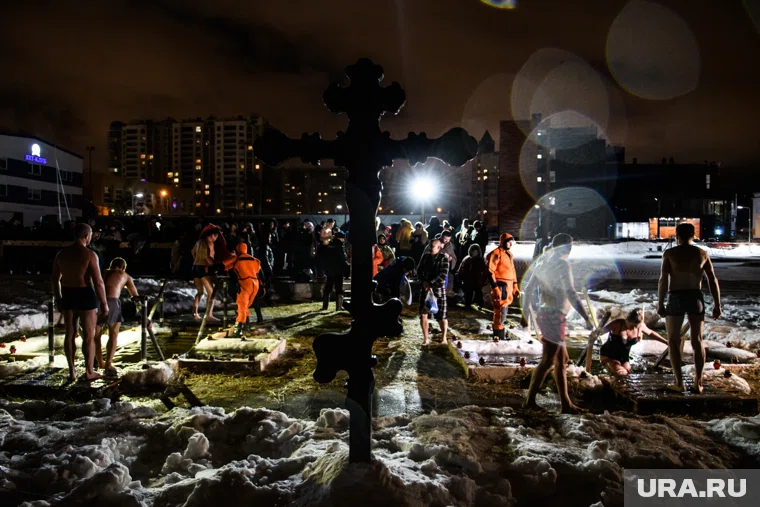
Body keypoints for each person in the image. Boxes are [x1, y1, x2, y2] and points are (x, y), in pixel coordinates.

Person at [523, 233, 595, 413]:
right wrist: (586, 317)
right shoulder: (562, 265)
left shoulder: (542, 263)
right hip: (554, 316)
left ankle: (566, 404)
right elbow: (570, 292)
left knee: (562, 360)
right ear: (567, 247)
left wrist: (525, 313)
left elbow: (528, 288)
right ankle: (530, 401)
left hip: (547, 314)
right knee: (548, 360)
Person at [657, 222, 721, 394]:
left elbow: (663, 280)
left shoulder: (670, 253)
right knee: (697, 340)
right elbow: (712, 279)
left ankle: (679, 382)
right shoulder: (701, 253)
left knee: (673, 340)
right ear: (693, 235)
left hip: (676, 296)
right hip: (695, 296)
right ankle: (698, 383)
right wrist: (717, 304)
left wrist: (660, 303)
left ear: (676, 235)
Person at [52, 223, 108, 382]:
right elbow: (98, 282)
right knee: (89, 335)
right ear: (86, 236)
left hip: (68, 293)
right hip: (85, 293)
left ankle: (72, 371)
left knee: (69, 334)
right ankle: (89, 371)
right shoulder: (90, 254)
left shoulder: (61, 254)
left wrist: (58, 298)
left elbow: (55, 279)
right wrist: (104, 303)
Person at [94, 258, 139, 376]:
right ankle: (108, 364)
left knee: (96, 336)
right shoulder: (124, 275)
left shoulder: (102, 272)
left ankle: (100, 362)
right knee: (113, 335)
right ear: (123, 268)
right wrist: (140, 311)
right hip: (112, 302)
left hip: (96, 302)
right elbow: (135, 295)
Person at [598, 309, 668, 376]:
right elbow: (599, 332)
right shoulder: (618, 324)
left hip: (624, 357)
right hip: (608, 355)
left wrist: (666, 342)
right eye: (631, 326)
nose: (633, 328)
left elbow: (651, 333)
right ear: (627, 320)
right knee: (621, 373)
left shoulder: (640, 326)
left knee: (628, 373)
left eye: (635, 327)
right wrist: (597, 331)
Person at [218, 242, 265, 336]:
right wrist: (263, 286)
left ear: (237, 250)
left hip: (244, 283)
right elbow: (261, 274)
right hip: (255, 284)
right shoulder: (255, 260)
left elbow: (222, 266)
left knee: (242, 305)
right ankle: (246, 324)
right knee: (247, 305)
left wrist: (209, 269)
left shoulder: (236, 259)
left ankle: (238, 329)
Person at [417, 238, 451, 345]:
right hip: (425, 289)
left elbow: (443, 275)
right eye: (429, 246)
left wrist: (430, 283)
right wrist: (424, 282)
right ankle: (426, 339)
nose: (430, 248)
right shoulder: (425, 257)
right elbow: (419, 270)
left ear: (439, 247)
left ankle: (444, 338)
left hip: (438, 290)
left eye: (432, 247)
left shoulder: (443, 258)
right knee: (423, 314)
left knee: (442, 316)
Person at [487, 233, 519, 340]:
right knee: (500, 310)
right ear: (503, 242)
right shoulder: (496, 253)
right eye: (509, 242)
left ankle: (499, 333)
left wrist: (515, 285)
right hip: (501, 285)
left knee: (504, 310)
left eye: (511, 242)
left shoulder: (509, 255)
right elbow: (490, 272)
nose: (511, 244)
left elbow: (512, 271)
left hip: (508, 286)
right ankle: (499, 334)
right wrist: (495, 288)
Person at [191, 224, 224, 321]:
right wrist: (215, 265)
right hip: (204, 268)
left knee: (200, 292)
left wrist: (197, 259)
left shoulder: (199, 242)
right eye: (216, 236)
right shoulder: (209, 243)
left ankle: (195, 313)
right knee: (211, 292)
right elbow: (207, 257)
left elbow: (192, 252)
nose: (217, 238)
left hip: (195, 267)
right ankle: (209, 315)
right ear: (212, 235)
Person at [322, 231, 349, 311]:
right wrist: (346, 270)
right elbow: (342, 260)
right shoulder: (340, 247)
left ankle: (325, 306)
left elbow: (325, 258)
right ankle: (339, 307)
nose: (343, 240)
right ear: (339, 238)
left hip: (330, 270)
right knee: (339, 288)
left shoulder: (329, 245)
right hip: (338, 271)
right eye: (343, 238)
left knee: (328, 288)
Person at [457, 243, 489, 309]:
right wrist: (460, 276)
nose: (474, 253)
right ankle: (467, 304)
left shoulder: (481, 260)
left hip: (477, 279)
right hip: (468, 279)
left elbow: (485, 271)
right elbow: (461, 268)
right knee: (468, 293)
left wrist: (484, 279)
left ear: (478, 252)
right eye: (472, 251)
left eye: (475, 251)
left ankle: (479, 304)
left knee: (478, 293)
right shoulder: (467, 259)